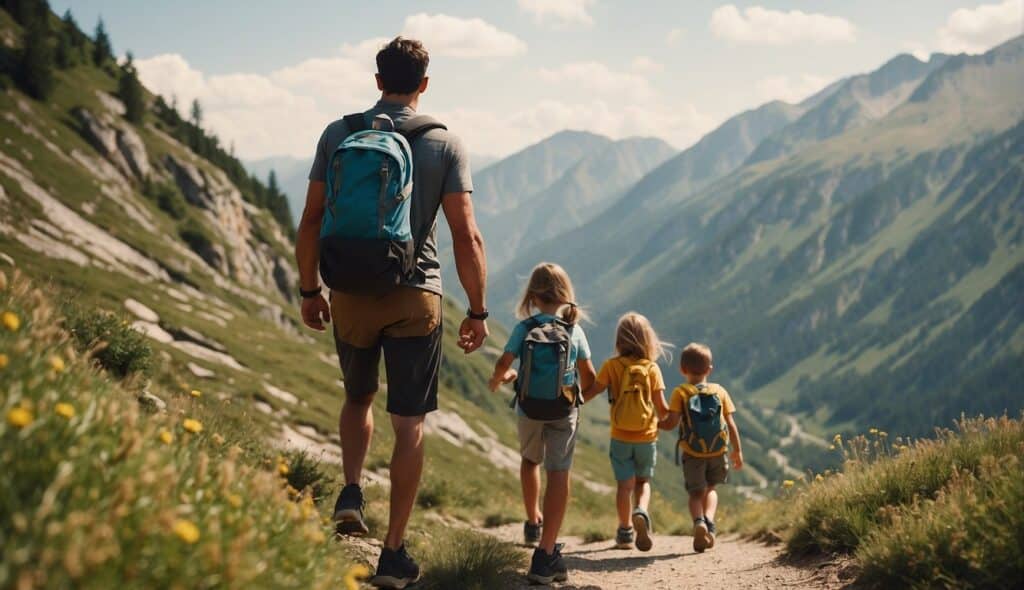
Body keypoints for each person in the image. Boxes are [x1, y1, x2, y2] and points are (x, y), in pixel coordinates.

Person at [295, 37, 488, 589]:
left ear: (377, 79)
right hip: (415, 296)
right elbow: (466, 236)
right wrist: (477, 310)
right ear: (424, 84)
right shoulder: (443, 143)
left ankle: (351, 490)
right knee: (410, 424)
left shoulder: (338, 133)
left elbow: (311, 221)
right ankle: (393, 554)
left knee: (358, 397)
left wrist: (311, 290)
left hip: (350, 291)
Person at [488, 262, 595, 585]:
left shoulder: (525, 327)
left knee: (529, 460)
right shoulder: (574, 330)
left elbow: (505, 363)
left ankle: (532, 519)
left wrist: (503, 377)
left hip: (528, 409)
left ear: (532, 296)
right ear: (565, 296)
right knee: (559, 472)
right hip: (563, 411)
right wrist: (576, 398)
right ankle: (546, 553)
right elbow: (590, 378)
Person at [581, 312, 669, 552]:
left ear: (619, 340)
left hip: (620, 437)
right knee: (642, 482)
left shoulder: (612, 366)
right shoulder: (652, 369)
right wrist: (673, 418)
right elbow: (662, 409)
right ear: (647, 340)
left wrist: (571, 401)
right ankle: (641, 510)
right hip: (646, 438)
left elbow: (593, 391)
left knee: (624, 486)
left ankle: (625, 531)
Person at [658, 343, 743, 553]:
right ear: (709, 370)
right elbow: (731, 424)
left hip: (693, 453)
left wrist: (654, 423)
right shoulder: (719, 391)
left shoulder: (681, 392)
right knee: (711, 488)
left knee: (696, 494)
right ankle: (710, 523)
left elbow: (671, 423)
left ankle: (698, 522)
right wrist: (737, 451)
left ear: (682, 369)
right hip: (718, 452)